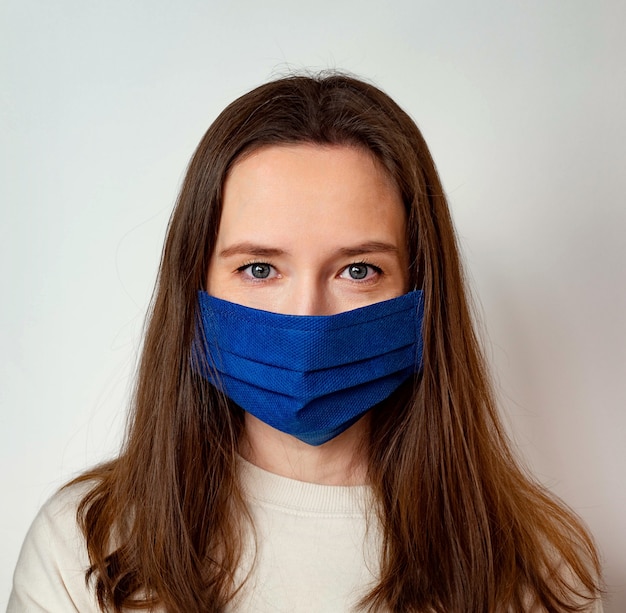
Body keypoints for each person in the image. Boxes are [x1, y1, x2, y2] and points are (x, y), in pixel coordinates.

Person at [9, 73, 603, 612]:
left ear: (422, 294)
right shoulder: (86, 546)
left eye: (359, 270)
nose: (307, 319)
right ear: (194, 284)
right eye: (261, 269)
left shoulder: (537, 567)